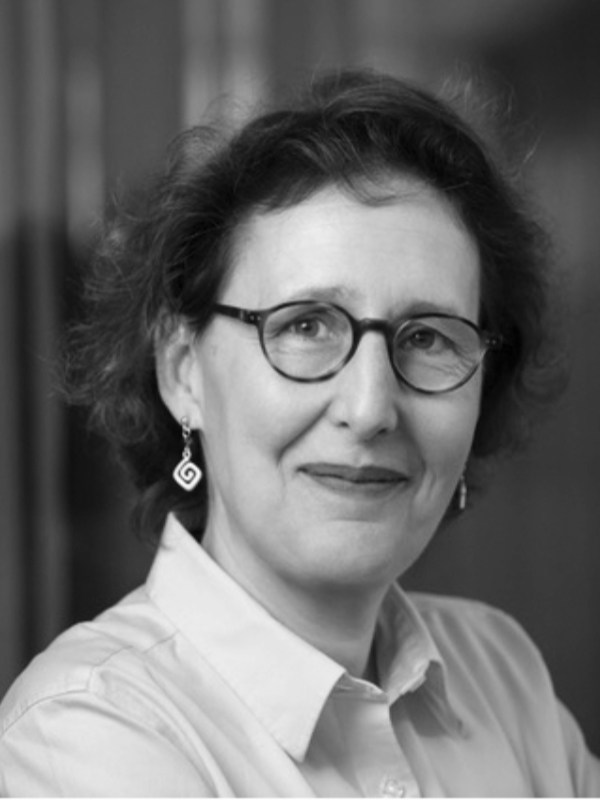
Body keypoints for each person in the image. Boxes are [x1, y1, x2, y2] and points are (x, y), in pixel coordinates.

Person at [0, 67, 597, 797]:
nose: (371, 407)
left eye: (427, 337)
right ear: (183, 371)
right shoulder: (88, 732)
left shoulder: (503, 674)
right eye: (306, 326)